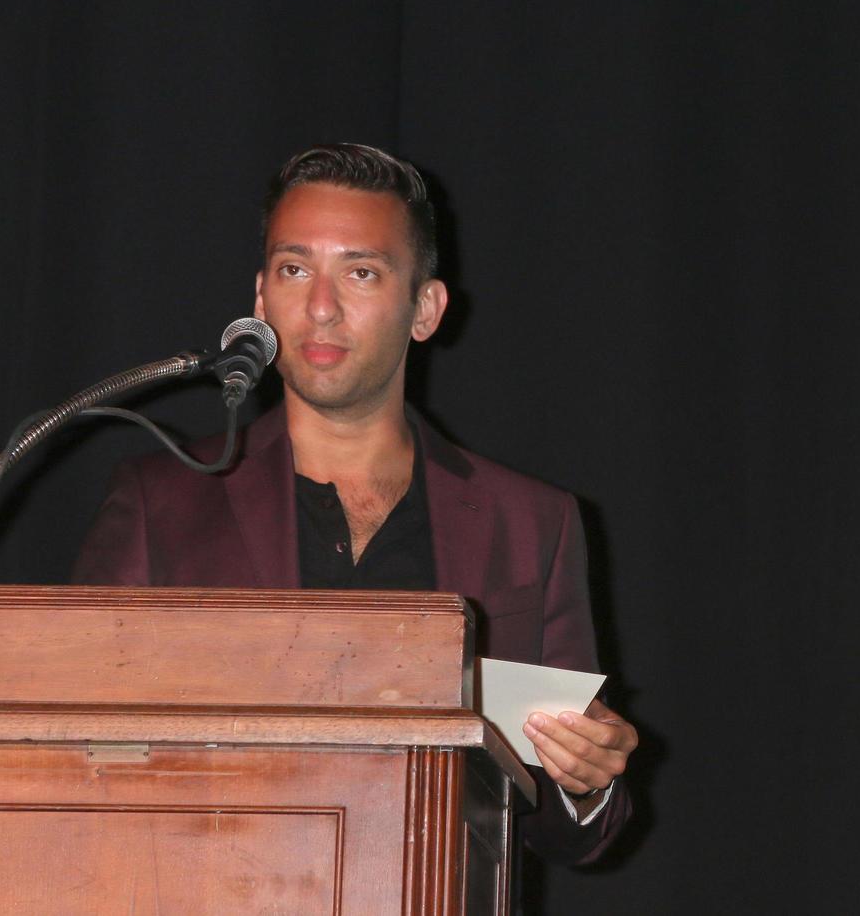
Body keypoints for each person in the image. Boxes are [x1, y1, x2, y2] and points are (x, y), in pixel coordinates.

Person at [73, 142, 634, 865]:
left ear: (425, 309)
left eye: (360, 272)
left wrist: (585, 783)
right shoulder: (163, 500)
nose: (320, 306)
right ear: (259, 301)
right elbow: (76, 757)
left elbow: (566, 833)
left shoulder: (532, 522)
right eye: (294, 269)